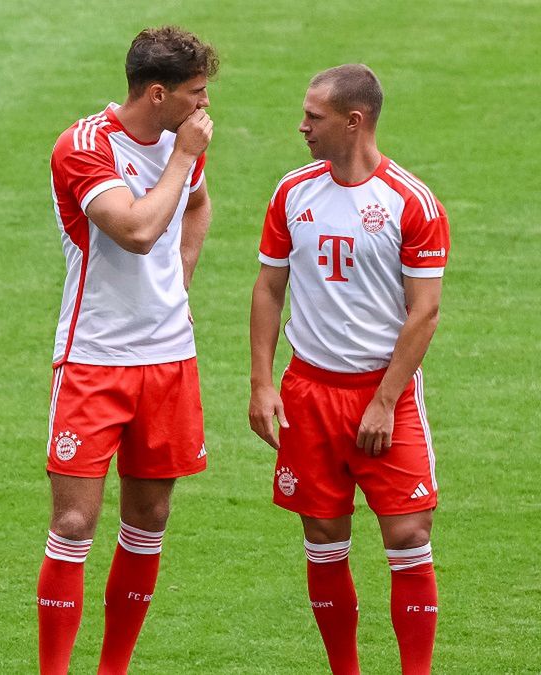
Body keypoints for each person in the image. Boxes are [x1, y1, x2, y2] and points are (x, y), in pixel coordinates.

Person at [248, 64, 449, 675]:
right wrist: (261, 383)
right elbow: (268, 289)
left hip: (384, 394)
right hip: (308, 391)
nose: (301, 126)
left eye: (314, 116)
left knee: (409, 538)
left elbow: (425, 311)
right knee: (323, 539)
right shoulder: (292, 192)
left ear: (353, 121)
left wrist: (385, 401)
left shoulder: (410, 202)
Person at [38, 26, 217, 675]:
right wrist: (181, 159)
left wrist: (182, 281)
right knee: (76, 524)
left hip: (168, 359)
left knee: (151, 516)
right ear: (159, 93)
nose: (205, 108)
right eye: (196, 94)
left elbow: (196, 207)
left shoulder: (181, 144)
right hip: (94, 357)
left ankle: (113, 667)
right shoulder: (85, 147)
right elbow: (138, 230)